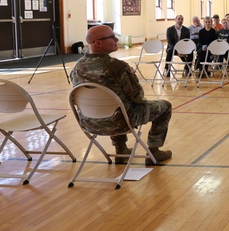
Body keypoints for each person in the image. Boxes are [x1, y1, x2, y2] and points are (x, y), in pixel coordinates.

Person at [70, 25, 171, 165]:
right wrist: (132, 76)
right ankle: (154, 151)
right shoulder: (118, 67)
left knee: (115, 104)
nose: (116, 39)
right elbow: (138, 97)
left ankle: (121, 149)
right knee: (165, 106)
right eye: (112, 37)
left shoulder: (77, 68)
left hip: (89, 122)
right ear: (98, 43)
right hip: (121, 122)